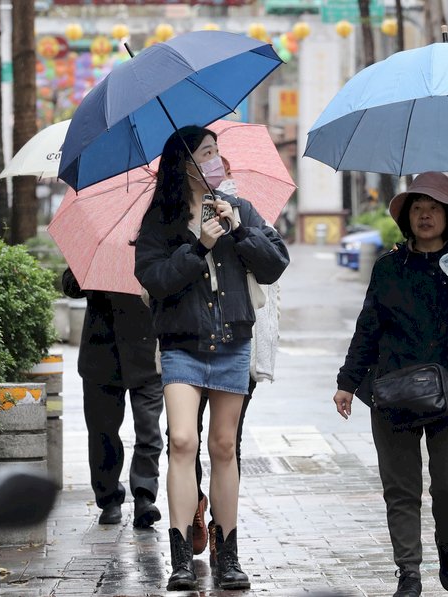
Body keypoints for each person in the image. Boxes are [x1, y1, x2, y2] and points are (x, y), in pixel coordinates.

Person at [134, 126, 289, 591]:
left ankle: (228, 555)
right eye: (207, 153)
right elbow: (154, 279)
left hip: (232, 343)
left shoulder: (238, 208)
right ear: (186, 165)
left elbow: (275, 262)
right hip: (182, 344)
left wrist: (239, 231)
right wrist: (198, 244)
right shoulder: (159, 221)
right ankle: (181, 556)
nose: (217, 160)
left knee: (224, 447)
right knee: (182, 440)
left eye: (218, 152)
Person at [332, 172, 448, 597]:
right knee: (400, 489)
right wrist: (347, 382)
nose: (424, 214)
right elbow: (367, 328)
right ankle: (409, 573)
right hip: (393, 393)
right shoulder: (388, 268)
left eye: (434, 207)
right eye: (417, 207)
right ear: (406, 217)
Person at [61, 268, 163, 529]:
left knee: (149, 430)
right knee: (102, 432)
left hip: (147, 350)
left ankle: (144, 496)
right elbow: (70, 287)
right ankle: (108, 499)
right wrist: (86, 274)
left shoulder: (157, 237)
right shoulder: (99, 245)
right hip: (101, 353)